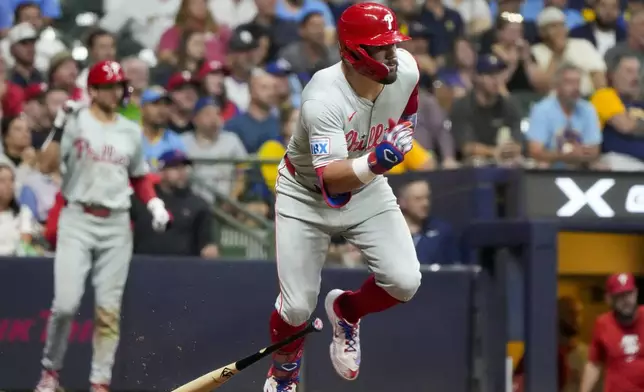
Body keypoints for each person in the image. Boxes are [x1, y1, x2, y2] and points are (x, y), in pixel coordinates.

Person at [263, 4, 422, 391]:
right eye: (381, 47)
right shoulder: (322, 96)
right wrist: (378, 159)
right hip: (305, 192)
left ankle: (347, 311)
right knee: (297, 306)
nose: (392, 54)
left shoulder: (408, 69)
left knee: (404, 281)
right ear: (352, 52)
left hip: (366, 187)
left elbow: (408, 110)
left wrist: (397, 137)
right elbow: (331, 181)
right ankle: (284, 372)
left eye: (393, 44)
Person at [34, 60, 171, 392]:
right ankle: (50, 371)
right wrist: (59, 124)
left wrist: (153, 202)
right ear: (92, 90)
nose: (116, 90)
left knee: (108, 310)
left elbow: (138, 175)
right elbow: (45, 165)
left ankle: (100, 382)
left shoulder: (129, 128)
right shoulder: (76, 119)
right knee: (66, 304)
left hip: (115, 224)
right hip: (78, 217)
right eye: (108, 85)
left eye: (119, 85)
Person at [580, 273, 644, 392]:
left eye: (629, 294)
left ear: (636, 293)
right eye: (619, 296)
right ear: (609, 299)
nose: (626, 300)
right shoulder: (602, 323)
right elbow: (594, 364)